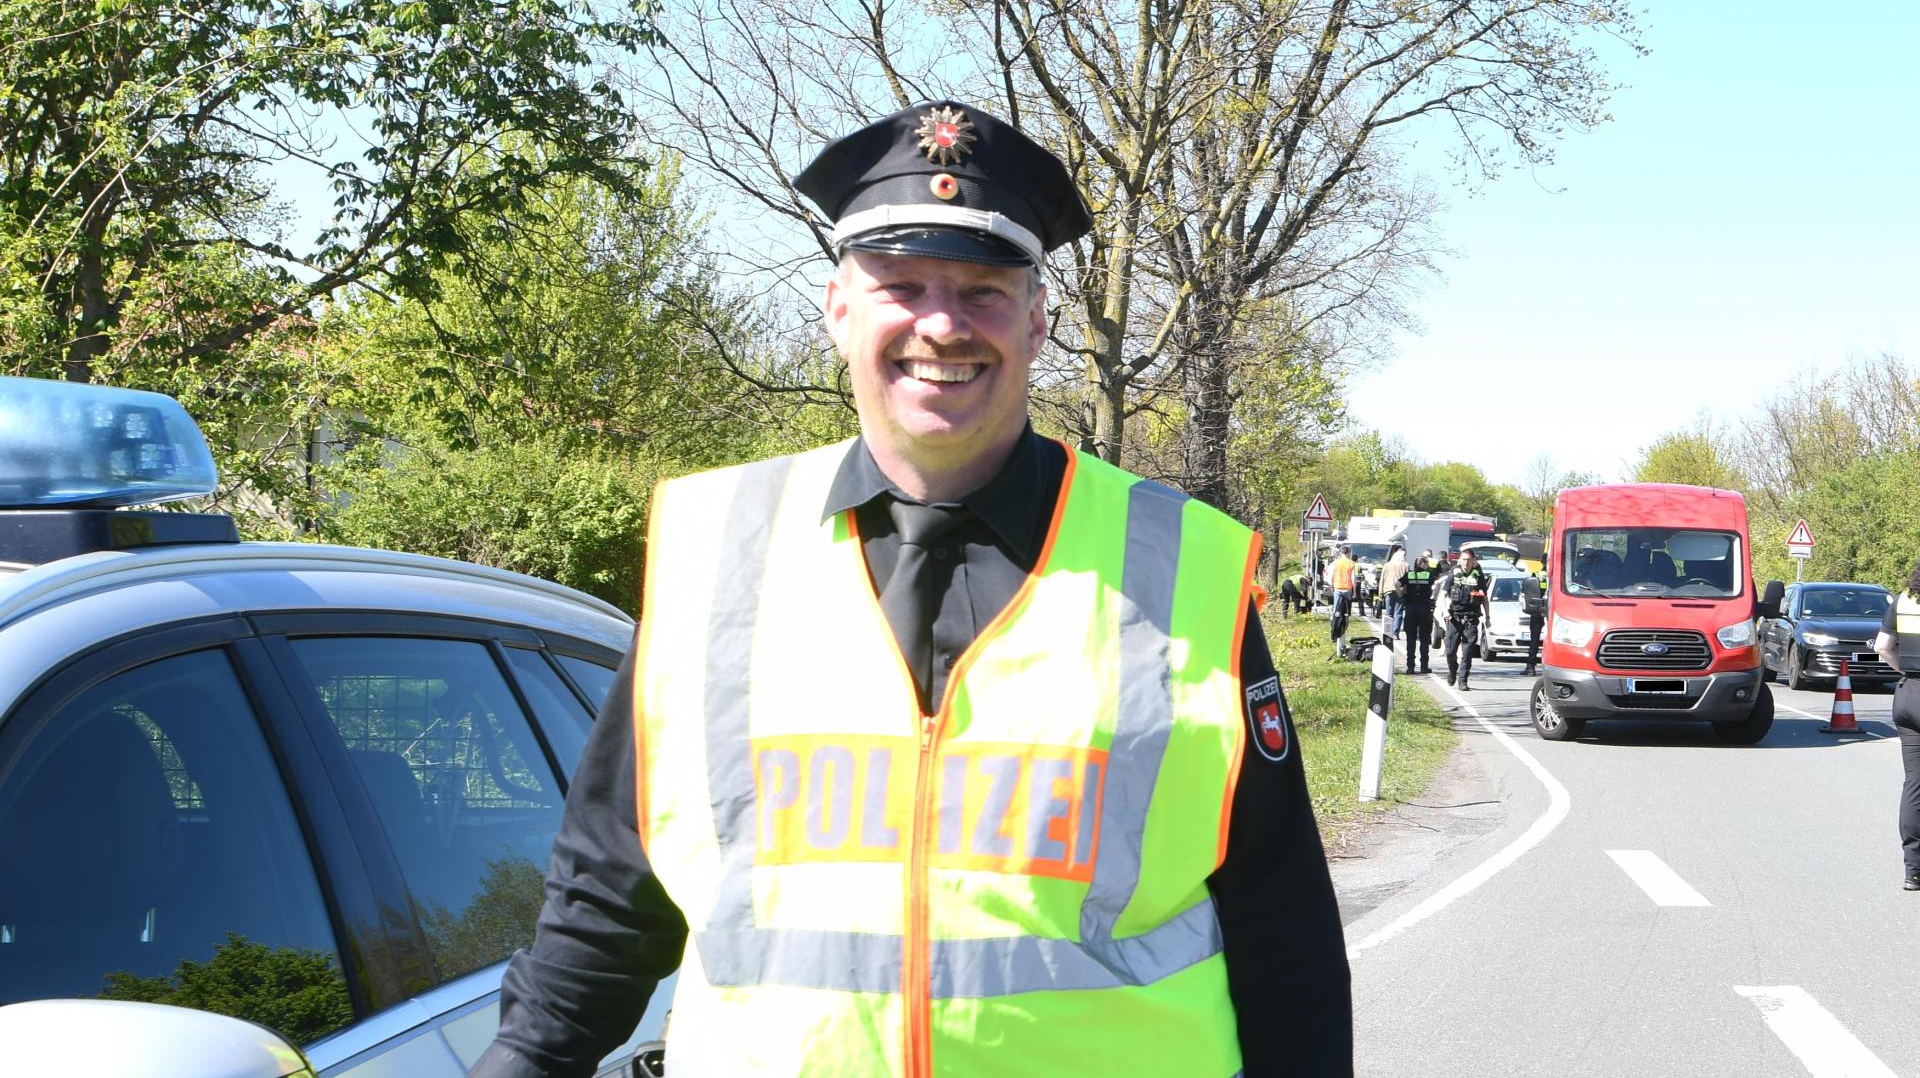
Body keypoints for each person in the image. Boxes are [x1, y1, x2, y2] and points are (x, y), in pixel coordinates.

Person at [469, 102, 1352, 1077]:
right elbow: (604, 907)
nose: (941, 323)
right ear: (838, 308)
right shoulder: (712, 551)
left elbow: (1285, 940)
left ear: (1037, 320)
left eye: (983, 289)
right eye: (901, 284)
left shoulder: (1184, 568)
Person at [1875, 556, 1920, 892]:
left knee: (1914, 785)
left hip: (1908, 696)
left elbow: (1882, 647)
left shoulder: (1904, 600)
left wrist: (1905, 671)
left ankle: (1913, 871)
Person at [1443, 548, 1490, 689]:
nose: (1466, 562)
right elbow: (1444, 594)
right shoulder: (1454, 573)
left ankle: (1463, 681)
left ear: (1473, 561)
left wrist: (1488, 617)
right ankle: (1452, 670)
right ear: (1460, 560)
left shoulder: (1478, 576)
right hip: (1454, 618)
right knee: (1450, 651)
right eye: (1463, 559)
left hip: (1471, 618)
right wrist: (1445, 610)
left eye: (1469, 560)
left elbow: (1484, 598)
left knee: (1467, 652)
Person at [1400, 549, 1438, 674]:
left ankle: (1410, 667)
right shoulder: (1428, 575)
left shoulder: (1410, 574)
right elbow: (1435, 585)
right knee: (1424, 639)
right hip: (1424, 608)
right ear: (1423, 564)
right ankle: (1424, 666)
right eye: (1426, 563)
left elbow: (1397, 584)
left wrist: (1401, 595)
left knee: (1410, 639)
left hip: (1410, 608)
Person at [1328, 543, 1358, 660]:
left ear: (1340, 552)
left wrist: (1331, 585)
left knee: (1336, 610)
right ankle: (1344, 625)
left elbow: (1331, 575)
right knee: (1346, 611)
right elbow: (1353, 578)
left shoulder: (1336, 563)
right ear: (1348, 553)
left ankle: (1335, 626)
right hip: (1348, 589)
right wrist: (1354, 591)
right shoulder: (1351, 563)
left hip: (1338, 587)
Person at [1378, 544, 1409, 654]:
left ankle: (1388, 633)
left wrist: (1380, 592)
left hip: (1388, 590)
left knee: (1389, 612)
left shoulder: (1387, 565)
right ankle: (1395, 633)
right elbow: (1407, 580)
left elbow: (1382, 578)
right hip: (1400, 591)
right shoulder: (1406, 565)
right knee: (1399, 612)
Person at [1522, 550, 1549, 676]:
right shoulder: (1563, 575)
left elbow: (1529, 593)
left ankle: (1530, 666)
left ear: (1542, 562)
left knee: (1534, 639)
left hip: (1538, 610)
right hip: (1554, 611)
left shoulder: (1538, 574)